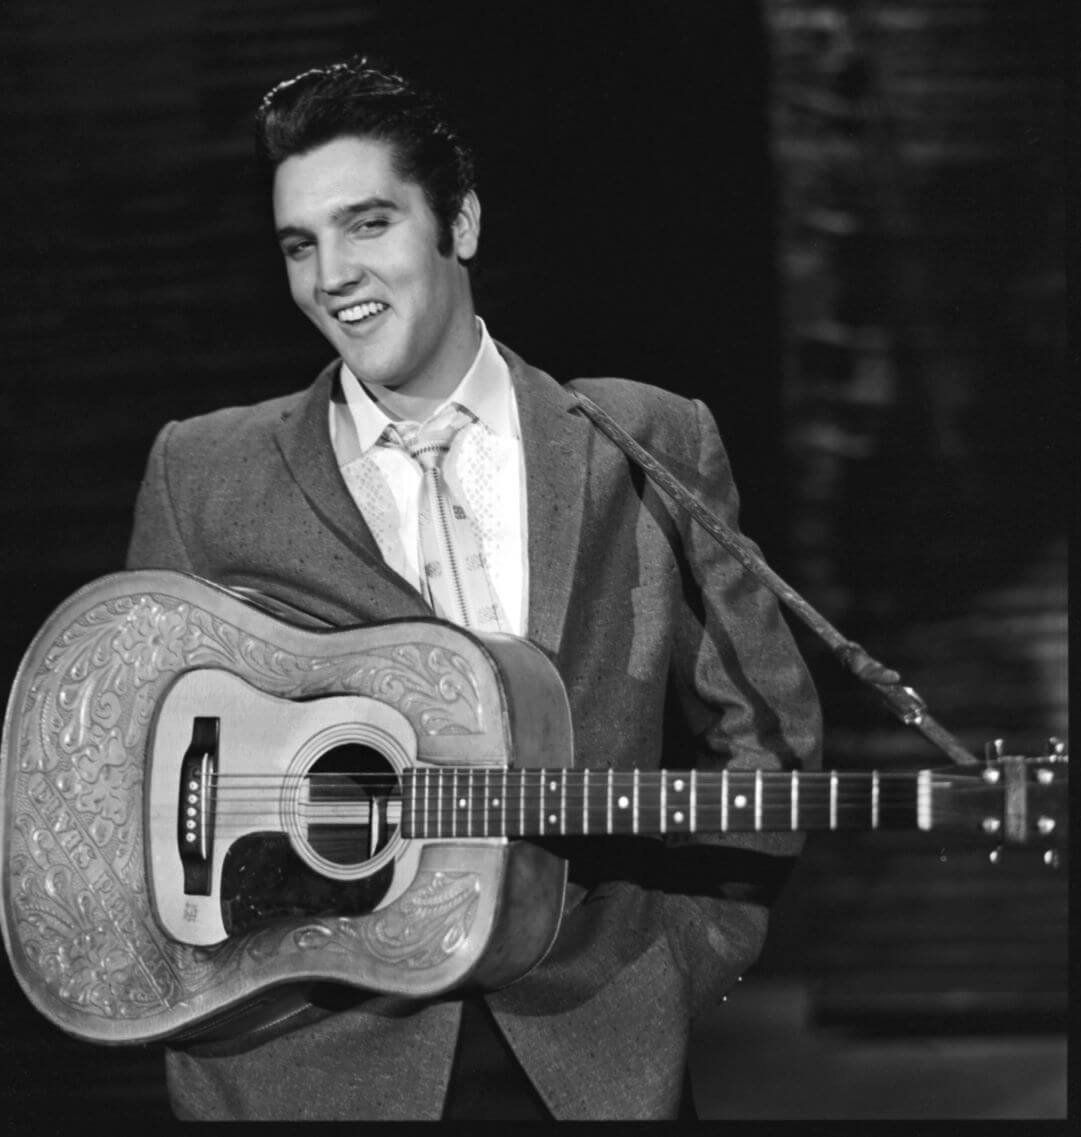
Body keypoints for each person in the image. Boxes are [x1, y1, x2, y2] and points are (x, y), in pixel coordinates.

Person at [126, 58, 821, 1121]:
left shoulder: (644, 441)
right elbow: (122, 764)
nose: (332, 275)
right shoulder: (205, 472)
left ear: (461, 223)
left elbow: (765, 731)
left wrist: (681, 963)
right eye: (300, 245)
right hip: (303, 1069)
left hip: (586, 1051)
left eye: (368, 225)